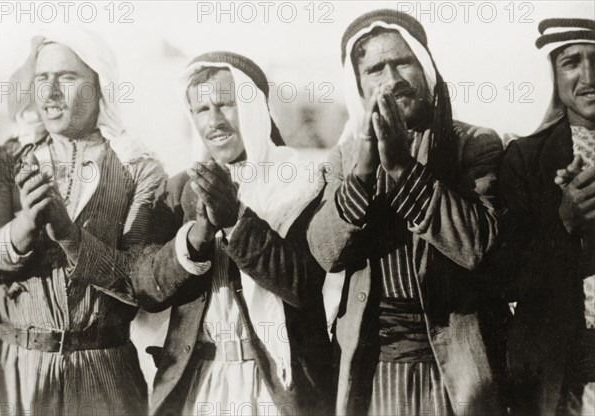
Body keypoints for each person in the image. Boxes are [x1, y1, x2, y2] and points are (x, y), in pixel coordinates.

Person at [307, 9, 507, 415]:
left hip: (456, 368)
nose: (393, 78)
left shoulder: (475, 144)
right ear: (360, 88)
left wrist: (401, 167)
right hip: (374, 369)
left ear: (426, 68)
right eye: (375, 69)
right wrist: (364, 172)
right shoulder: (345, 158)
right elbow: (327, 252)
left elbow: (478, 245)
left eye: (403, 62)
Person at [131, 51, 332, 416]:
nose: (214, 121)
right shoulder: (178, 191)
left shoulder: (303, 179)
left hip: (278, 384)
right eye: (201, 110)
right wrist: (197, 236)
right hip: (200, 385)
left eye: (226, 104)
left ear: (254, 108)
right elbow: (146, 287)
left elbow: (304, 283)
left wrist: (236, 220)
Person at [0, 28, 165, 415]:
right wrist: (24, 227)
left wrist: (71, 237)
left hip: (103, 375)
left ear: (98, 86)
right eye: (42, 78)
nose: (51, 93)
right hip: (16, 375)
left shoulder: (139, 172)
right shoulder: (4, 164)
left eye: (67, 78)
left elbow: (141, 284)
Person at [497, 18, 594, 415]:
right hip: (560, 368)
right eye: (571, 61)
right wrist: (564, 223)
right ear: (551, 75)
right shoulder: (525, 158)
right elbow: (506, 279)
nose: (589, 75)